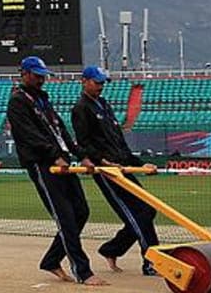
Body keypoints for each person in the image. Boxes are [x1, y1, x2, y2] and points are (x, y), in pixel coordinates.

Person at [7, 56, 107, 287]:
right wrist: (54, 155)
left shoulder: (43, 100)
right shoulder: (18, 102)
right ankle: (83, 271)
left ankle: (51, 260)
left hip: (63, 162)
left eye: (43, 75)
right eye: (36, 75)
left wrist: (81, 154)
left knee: (81, 211)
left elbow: (61, 130)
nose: (41, 79)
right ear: (25, 74)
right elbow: (30, 135)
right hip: (44, 164)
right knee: (66, 218)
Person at [71, 66, 160, 275]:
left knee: (148, 210)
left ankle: (112, 249)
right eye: (97, 82)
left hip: (123, 167)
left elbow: (118, 141)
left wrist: (140, 164)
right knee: (137, 214)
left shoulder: (103, 105)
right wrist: (103, 162)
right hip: (107, 172)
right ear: (84, 81)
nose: (101, 87)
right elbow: (83, 144)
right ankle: (152, 262)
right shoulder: (81, 108)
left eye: (103, 83)